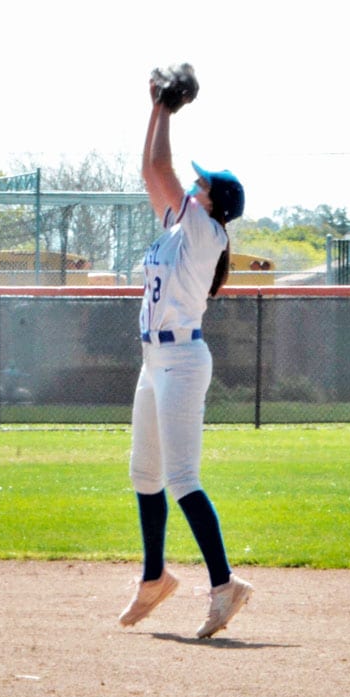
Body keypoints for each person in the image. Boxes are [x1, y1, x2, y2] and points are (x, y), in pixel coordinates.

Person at [118, 80, 253, 638]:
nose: (190, 187)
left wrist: (167, 111)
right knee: (143, 474)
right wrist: (155, 108)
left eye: (200, 186)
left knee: (181, 477)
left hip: (182, 362)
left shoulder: (205, 231)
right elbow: (151, 170)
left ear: (211, 204)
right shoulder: (181, 228)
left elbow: (163, 166)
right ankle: (155, 578)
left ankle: (226, 586)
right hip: (155, 362)